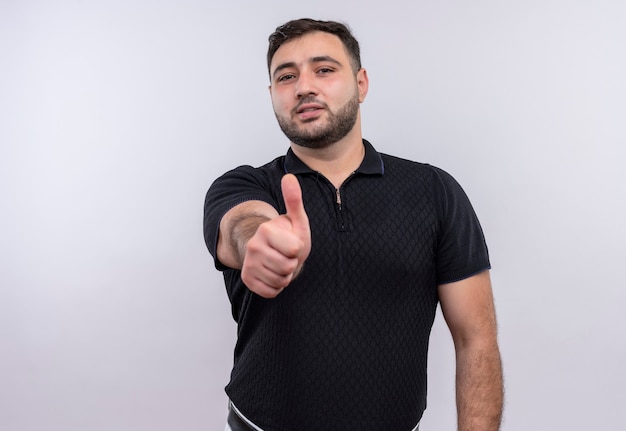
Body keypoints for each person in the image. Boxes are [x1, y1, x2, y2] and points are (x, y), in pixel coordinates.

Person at [204, 18, 503, 431]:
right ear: (273, 94)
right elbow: (241, 224)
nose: (304, 86)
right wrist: (260, 238)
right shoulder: (247, 184)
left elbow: (476, 340)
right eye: (286, 76)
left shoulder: (434, 191)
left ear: (361, 84)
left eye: (324, 70)